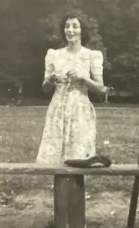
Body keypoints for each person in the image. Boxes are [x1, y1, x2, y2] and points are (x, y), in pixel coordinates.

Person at [36, 12, 106, 165]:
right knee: (56, 161)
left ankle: (75, 189)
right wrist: (51, 80)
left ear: (82, 31)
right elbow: (45, 88)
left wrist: (83, 77)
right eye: (67, 26)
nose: (70, 30)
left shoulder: (91, 56)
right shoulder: (54, 55)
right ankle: (59, 190)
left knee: (78, 160)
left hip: (80, 112)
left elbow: (101, 89)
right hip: (57, 111)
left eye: (75, 26)